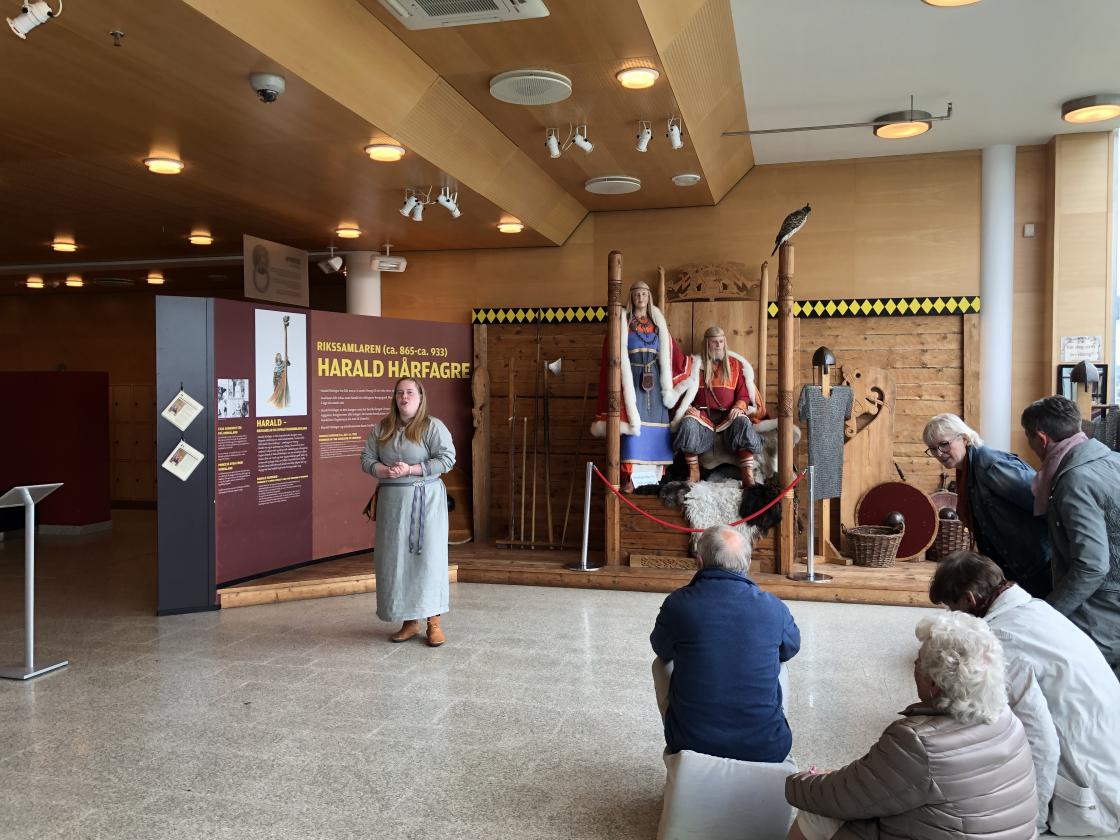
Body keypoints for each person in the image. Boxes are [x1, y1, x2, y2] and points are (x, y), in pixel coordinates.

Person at [785, 612, 1037, 840]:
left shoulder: (919, 742)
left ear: (934, 684)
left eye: (918, 662)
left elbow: (843, 796)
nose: (914, 667)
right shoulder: (1008, 719)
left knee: (816, 816)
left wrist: (797, 782)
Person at [930, 551, 1120, 836]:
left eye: (952, 607)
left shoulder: (1004, 640)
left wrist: (1032, 822)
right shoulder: (1037, 610)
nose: (952, 616)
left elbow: (1040, 741)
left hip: (1092, 798)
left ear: (969, 599)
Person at [650, 525, 800, 763]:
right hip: (768, 746)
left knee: (662, 663)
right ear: (748, 563)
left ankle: (685, 752)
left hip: (690, 741)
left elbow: (660, 648)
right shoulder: (774, 607)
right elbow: (792, 647)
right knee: (779, 661)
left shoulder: (678, 604)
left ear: (700, 561)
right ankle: (769, 721)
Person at [1022, 395, 1120, 673]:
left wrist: (1047, 613)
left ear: (1041, 438)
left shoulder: (1074, 480)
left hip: (1102, 612)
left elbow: (1092, 567)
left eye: (1028, 437)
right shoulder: (1114, 459)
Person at [360, 378, 456, 647]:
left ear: (420, 397)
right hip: (393, 506)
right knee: (397, 561)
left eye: (410, 393)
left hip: (425, 503)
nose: (404, 397)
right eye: (400, 393)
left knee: (428, 559)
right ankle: (409, 621)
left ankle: (433, 622)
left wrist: (412, 470)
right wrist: (383, 470)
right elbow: (366, 458)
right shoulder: (382, 428)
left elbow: (447, 459)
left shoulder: (432, 426)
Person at [921, 413, 1051, 597]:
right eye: (933, 449)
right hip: (1016, 565)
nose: (939, 453)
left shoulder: (991, 467)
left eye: (944, 444)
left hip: (1036, 564)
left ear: (964, 439)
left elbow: (1044, 502)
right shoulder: (967, 470)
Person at [591, 280, 692, 493]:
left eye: (644, 293)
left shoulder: (658, 325)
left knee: (656, 428)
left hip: (654, 382)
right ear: (631, 297)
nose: (640, 297)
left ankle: (654, 479)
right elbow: (612, 354)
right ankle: (630, 478)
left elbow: (672, 353)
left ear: (649, 297)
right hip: (631, 380)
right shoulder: (623, 323)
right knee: (632, 428)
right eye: (636, 294)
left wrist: (694, 364)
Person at [673, 326, 766, 486]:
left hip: (728, 418)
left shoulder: (735, 365)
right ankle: (693, 471)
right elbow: (683, 393)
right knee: (688, 423)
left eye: (721, 341)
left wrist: (739, 406)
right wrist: (689, 408)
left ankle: (747, 474)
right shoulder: (694, 366)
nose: (718, 345)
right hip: (703, 418)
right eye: (714, 342)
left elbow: (743, 394)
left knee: (742, 422)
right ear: (707, 344)